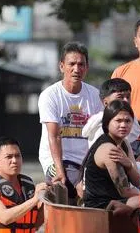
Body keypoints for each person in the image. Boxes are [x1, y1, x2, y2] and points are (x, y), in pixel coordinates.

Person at [38, 42, 103, 203]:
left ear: (86, 68)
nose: (76, 69)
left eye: (81, 64)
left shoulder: (95, 95)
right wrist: (61, 173)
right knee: (63, 200)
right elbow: (54, 136)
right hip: (58, 159)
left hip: (85, 160)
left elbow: (99, 135)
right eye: (71, 64)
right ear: (61, 66)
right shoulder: (50, 95)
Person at [81, 100, 140, 210]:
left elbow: (138, 181)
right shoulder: (109, 150)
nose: (123, 125)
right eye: (118, 121)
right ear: (107, 123)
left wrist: (129, 166)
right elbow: (124, 192)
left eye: (128, 121)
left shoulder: (124, 143)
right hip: (99, 207)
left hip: (117, 200)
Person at [81, 77, 140, 148]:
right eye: (120, 97)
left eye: (128, 97)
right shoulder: (100, 122)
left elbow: (134, 135)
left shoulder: (131, 117)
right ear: (105, 102)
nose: (126, 101)